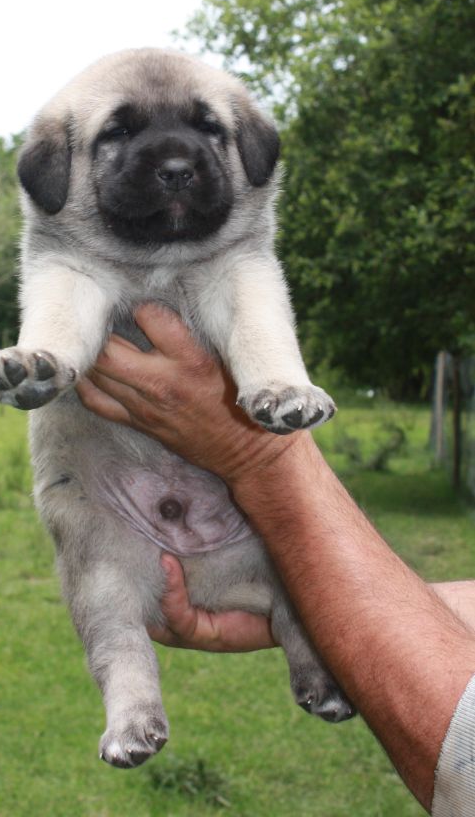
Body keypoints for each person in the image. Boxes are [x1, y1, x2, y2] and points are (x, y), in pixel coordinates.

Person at [76, 303, 475, 815]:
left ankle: (306, 649)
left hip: (205, 518)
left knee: (279, 559)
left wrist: (259, 454)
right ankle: (134, 695)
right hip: (112, 486)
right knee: (100, 568)